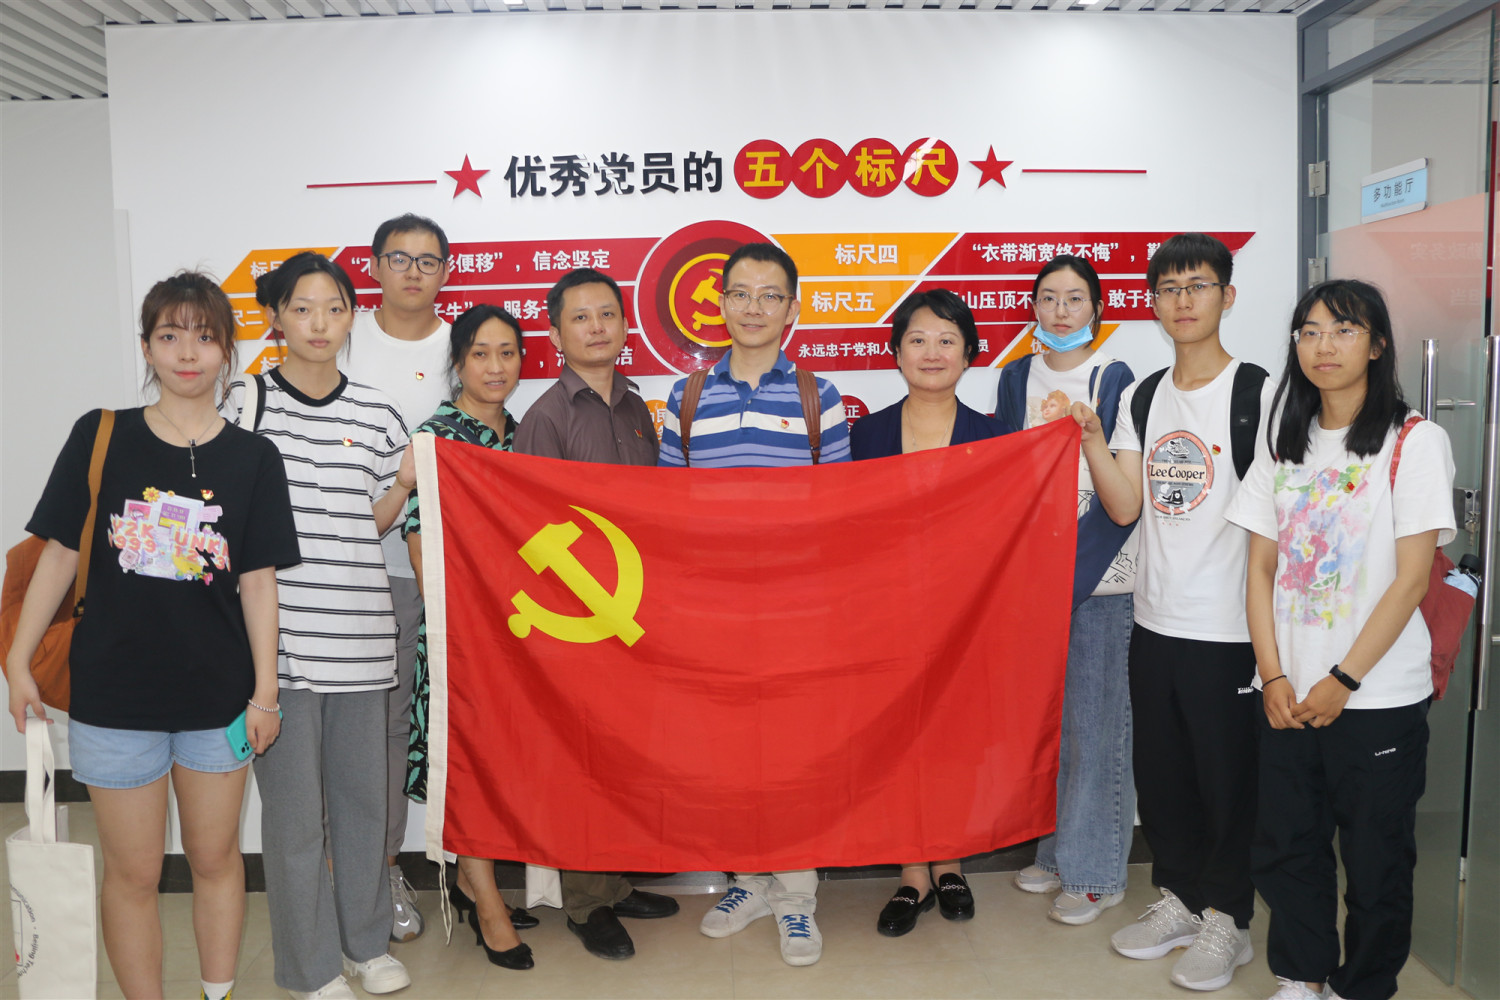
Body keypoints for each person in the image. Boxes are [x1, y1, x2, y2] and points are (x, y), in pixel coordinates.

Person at [5, 272, 300, 1000]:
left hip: (219, 700)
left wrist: (265, 693)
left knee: (215, 860)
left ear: (227, 351)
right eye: (170, 336)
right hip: (115, 696)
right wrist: (17, 661)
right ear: (146, 347)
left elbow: (259, 581)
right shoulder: (102, 434)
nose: (187, 353)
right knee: (133, 874)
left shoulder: (254, 457)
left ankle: (216, 994)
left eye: (204, 336)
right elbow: (59, 554)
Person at [1225, 280, 1454, 1000]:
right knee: (1287, 847)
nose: (1324, 346)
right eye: (1310, 331)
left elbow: (1411, 581)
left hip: (1375, 696)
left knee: (1377, 860)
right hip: (1287, 693)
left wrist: (1344, 680)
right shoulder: (1283, 440)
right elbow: (1259, 569)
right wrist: (1272, 675)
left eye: (1344, 330)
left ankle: (1364, 986)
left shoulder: (1414, 441)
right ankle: (1301, 975)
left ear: (1377, 345)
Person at [1069, 233, 1273, 992]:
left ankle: (1229, 920)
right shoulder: (1144, 395)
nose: (1183, 301)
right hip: (1153, 619)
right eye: (1169, 289)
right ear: (1152, 303)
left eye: (1198, 285)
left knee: (1228, 780)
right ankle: (1181, 901)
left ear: (1227, 295)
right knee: (1163, 776)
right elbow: (1125, 504)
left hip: (1231, 628)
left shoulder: (1260, 393)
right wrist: (1094, 439)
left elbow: (1277, 518)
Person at [226, 252, 413, 999]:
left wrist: (404, 483)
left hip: (364, 641)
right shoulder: (244, 403)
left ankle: (366, 946)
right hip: (282, 650)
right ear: (274, 317)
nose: (319, 324)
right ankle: (309, 971)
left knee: (365, 809)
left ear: (350, 317)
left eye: (334, 308)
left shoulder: (377, 412)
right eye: (302, 308)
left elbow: (374, 520)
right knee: (296, 821)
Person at [659, 242, 851, 966]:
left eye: (771, 296)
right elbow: (669, 512)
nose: (754, 308)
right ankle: (746, 880)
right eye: (740, 293)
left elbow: (840, 511)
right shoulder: (686, 398)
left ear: (792, 310)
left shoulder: (820, 396)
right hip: (713, 612)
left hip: (796, 610)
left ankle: (795, 896)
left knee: (795, 753)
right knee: (726, 753)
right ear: (720, 304)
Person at [513, 267, 681, 960]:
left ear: (625, 324)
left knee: (626, 755)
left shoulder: (638, 407)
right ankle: (586, 904)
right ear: (555, 334)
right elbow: (531, 528)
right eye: (580, 317)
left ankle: (614, 881)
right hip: (578, 620)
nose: (597, 327)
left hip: (636, 613)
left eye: (607, 313)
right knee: (582, 759)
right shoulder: (546, 417)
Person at [849, 288, 1002, 935]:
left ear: (968, 353)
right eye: (917, 339)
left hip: (966, 618)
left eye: (947, 340)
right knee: (898, 740)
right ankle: (912, 872)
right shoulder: (867, 435)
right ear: (896, 352)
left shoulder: (995, 438)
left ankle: (950, 863)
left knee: (956, 741)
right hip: (886, 616)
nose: (932, 352)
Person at [999, 255, 1139, 926]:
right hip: (1034, 579)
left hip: (1096, 580)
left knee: (1097, 729)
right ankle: (1058, 853)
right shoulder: (1012, 378)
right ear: (1032, 307)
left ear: (1096, 310)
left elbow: (1121, 496)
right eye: (1049, 298)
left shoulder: (1114, 378)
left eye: (1075, 298)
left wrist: (1069, 568)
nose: (1060, 311)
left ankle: (1096, 872)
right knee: (1054, 728)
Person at [400, 304, 536, 971]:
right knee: (469, 764)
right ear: (458, 362)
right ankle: (486, 903)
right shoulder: (437, 436)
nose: (495, 367)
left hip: (522, 634)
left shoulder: (524, 434)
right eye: (480, 353)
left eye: (507, 353)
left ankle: (476, 882)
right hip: (462, 633)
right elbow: (418, 536)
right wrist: (460, 622)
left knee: (505, 760)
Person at [342, 212, 454, 943]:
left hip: (439, 573)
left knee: (411, 728)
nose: (414, 271)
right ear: (375, 266)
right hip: (347, 570)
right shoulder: (342, 337)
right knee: (356, 734)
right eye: (399, 258)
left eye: (428, 259)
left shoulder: (463, 345)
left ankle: (399, 868)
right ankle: (359, 872)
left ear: (446, 270)